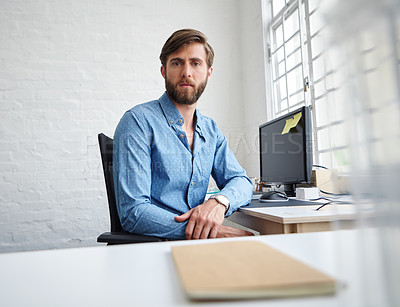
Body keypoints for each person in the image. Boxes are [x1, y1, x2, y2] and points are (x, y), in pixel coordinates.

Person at [113, 29, 253, 240]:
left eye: (195, 63)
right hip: (152, 247)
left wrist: (219, 202)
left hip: (195, 247)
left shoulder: (210, 130)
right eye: (177, 63)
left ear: (209, 72)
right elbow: (134, 212)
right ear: (163, 71)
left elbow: (240, 180)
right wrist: (213, 232)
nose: (186, 72)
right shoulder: (137, 122)